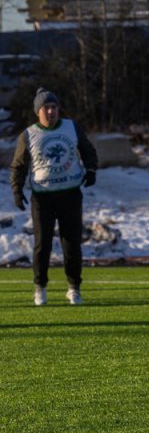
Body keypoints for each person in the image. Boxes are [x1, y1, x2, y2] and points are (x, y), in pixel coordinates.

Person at [10, 88, 98, 306]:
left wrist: (91, 170)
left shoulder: (71, 127)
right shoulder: (28, 135)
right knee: (43, 244)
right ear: (37, 112)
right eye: (46, 108)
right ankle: (40, 288)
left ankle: (74, 288)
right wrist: (17, 190)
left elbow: (87, 149)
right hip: (43, 197)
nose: (51, 111)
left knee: (72, 244)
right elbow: (19, 165)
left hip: (70, 195)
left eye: (54, 107)